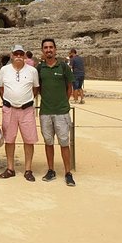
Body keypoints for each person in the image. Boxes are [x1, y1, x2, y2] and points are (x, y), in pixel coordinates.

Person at [0, 44, 40, 181]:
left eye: (21, 54)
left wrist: (25, 100)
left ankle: (28, 169)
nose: (19, 56)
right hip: (9, 109)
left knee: (29, 140)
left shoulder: (32, 71)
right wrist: (9, 101)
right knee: (9, 139)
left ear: (25, 56)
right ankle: (10, 168)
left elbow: (35, 89)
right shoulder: (4, 70)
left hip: (26, 110)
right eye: (16, 54)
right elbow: (0, 88)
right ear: (12, 55)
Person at [38, 39, 76, 186]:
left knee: (64, 143)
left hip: (61, 112)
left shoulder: (64, 67)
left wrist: (62, 102)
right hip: (46, 111)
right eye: (46, 48)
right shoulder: (39, 68)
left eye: (51, 47)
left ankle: (68, 172)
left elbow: (69, 88)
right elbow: (39, 88)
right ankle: (51, 170)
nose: (48, 50)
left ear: (55, 49)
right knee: (48, 142)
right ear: (42, 50)